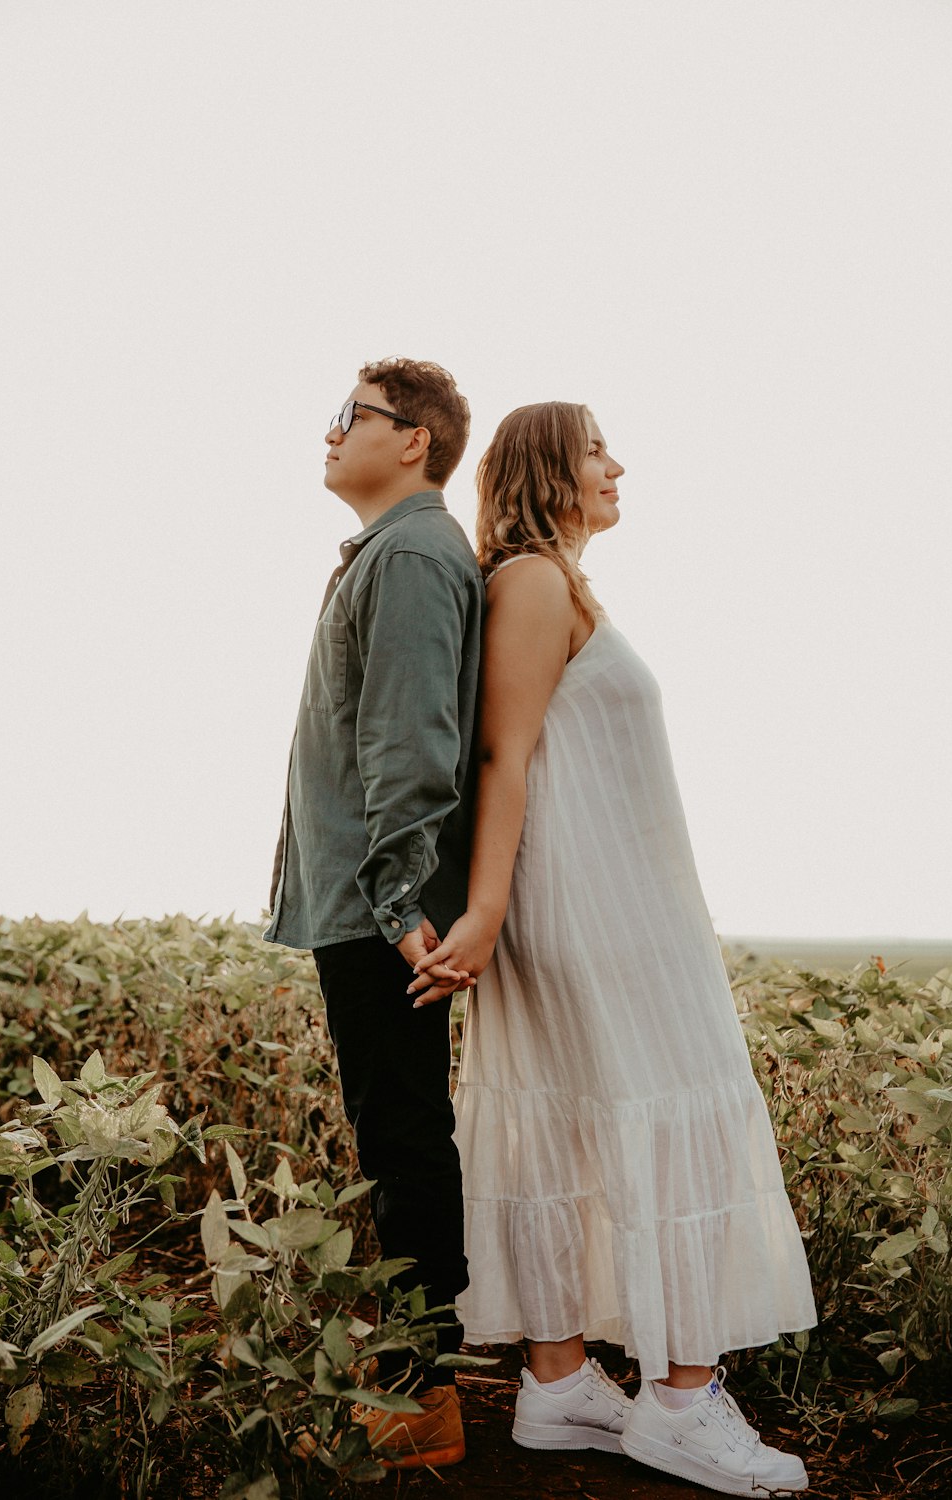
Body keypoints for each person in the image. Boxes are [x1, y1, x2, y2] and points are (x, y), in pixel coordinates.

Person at [410, 402, 818, 1495]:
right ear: (550, 467)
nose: (618, 464)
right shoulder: (534, 582)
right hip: (588, 910)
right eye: (597, 450)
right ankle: (681, 1400)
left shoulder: (552, 585)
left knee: (565, 1115)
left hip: (600, 904)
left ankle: (557, 1386)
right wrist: (486, 910)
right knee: (679, 1104)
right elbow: (503, 755)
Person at [265, 357, 484, 1469]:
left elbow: (411, 740)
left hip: (379, 906)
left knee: (402, 1136)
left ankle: (419, 1400)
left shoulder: (408, 554)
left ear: (412, 441)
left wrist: (396, 894)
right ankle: (415, 1368)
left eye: (347, 416)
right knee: (396, 1129)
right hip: (364, 898)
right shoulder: (392, 552)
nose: (329, 431)